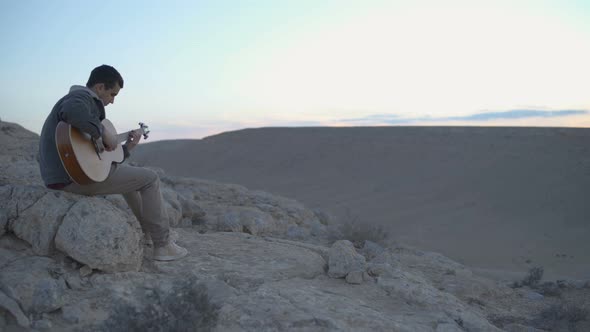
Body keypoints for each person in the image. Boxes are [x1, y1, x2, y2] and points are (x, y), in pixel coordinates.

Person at [38, 64, 188, 261]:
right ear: (99, 87)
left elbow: (100, 160)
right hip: (71, 178)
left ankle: (150, 234)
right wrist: (102, 131)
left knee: (132, 180)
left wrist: (128, 148)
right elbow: (72, 111)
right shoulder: (79, 98)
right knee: (150, 178)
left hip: (69, 175)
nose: (112, 101)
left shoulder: (86, 107)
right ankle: (163, 245)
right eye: (112, 94)